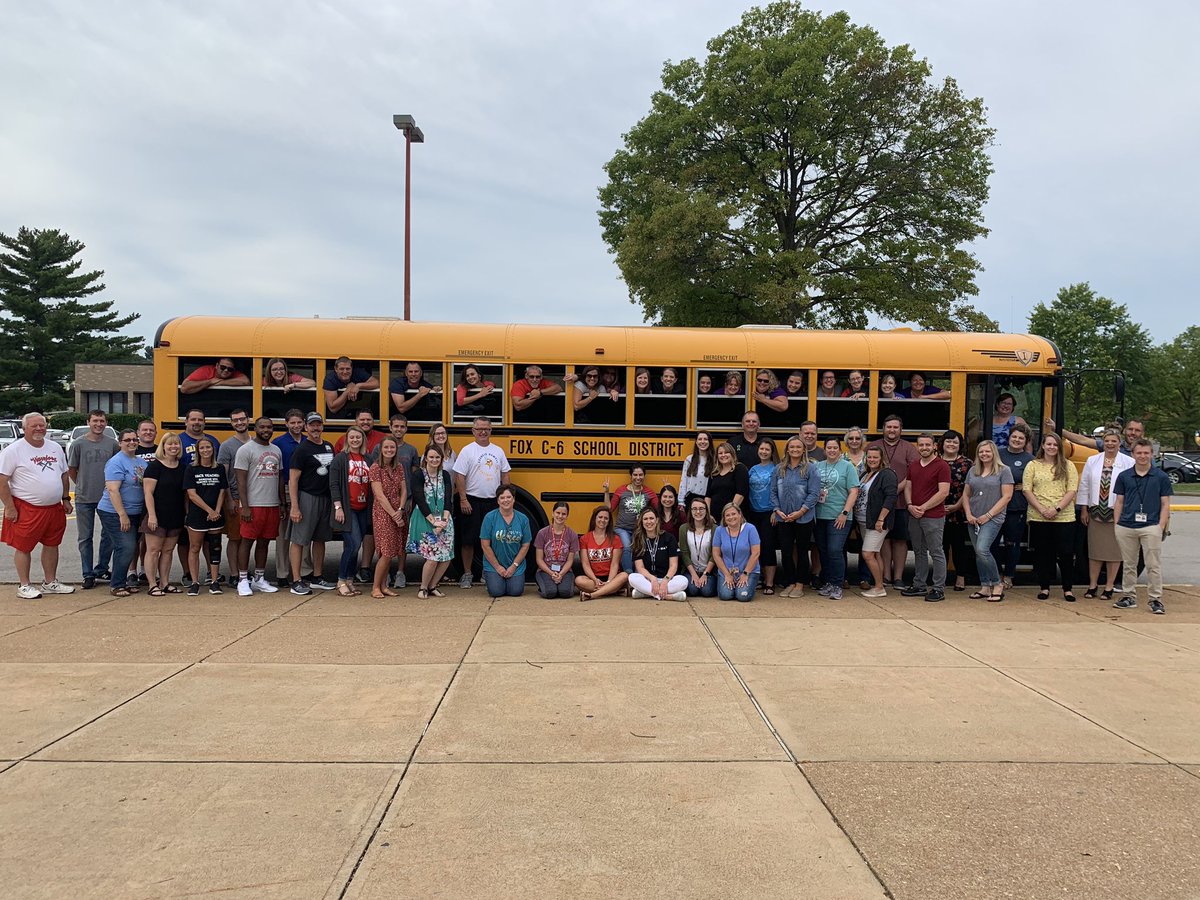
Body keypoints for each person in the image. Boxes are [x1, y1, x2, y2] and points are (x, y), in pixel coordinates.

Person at [0, 413, 74, 599]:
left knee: (52, 544)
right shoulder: (13, 450)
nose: (39, 429)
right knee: (23, 546)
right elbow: (2, 481)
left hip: (53, 508)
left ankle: (50, 582)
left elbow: (64, 474)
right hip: (27, 507)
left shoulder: (54, 447)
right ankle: (24, 585)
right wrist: (9, 507)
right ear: (24, 428)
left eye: (42, 425)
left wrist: (65, 498)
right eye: (34, 426)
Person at [1112, 439, 1172, 614]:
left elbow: (1165, 504)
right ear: (1133, 454)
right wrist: (1117, 524)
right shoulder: (1124, 476)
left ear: (1151, 454)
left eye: (1146, 453)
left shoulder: (1161, 477)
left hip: (1151, 525)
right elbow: (1119, 501)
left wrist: (1160, 526)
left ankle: (1155, 599)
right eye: (1139, 453)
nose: (1143, 456)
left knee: (1153, 565)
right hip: (1126, 525)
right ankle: (1128, 596)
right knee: (1129, 564)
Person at [453, 417, 512, 588]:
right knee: (468, 540)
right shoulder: (467, 451)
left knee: (493, 540)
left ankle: (489, 572)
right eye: (479, 429)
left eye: (486, 428)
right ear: (473, 431)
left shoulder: (498, 451)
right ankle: (467, 573)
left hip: (493, 502)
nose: (483, 432)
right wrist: (463, 499)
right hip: (471, 500)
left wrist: (506, 499)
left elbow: (505, 475)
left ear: (491, 430)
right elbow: (459, 476)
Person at [1077, 428, 1134, 601]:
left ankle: (1109, 586)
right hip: (1095, 512)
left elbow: (1131, 489)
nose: (1110, 444)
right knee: (1095, 551)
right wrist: (1084, 509)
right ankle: (1092, 585)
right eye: (1107, 441)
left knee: (1113, 553)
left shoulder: (1128, 462)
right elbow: (1084, 485)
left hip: (1116, 514)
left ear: (1119, 443)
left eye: (1113, 441)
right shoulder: (1092, 460)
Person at [1024, 432, 1079, 601]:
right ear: (1042, 445)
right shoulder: (1033, 465)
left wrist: (1057, 509)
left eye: (1055, 445)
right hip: (1038, 516)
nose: (1052, 447)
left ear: (1059, 447)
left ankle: (1067, 589)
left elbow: (1072, 490)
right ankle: (1044, 587)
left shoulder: (1068, 465)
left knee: (1066, 553)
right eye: (1049, 444)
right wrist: (1042, 509)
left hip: (1064, 516)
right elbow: (1027, 489)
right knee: (1043, 553)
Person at [233, 417, 283, 597]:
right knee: (247, 541)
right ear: (255, 428)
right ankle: (242, 580)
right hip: (253, 504)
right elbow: (240, 481)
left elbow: (280, 478)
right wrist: (245, 506)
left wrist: (282, 503)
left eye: (269, 427)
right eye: (262, 427)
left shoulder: (276, 450)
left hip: (272, 504)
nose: (266, 430)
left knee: (264, 542)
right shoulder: (245, 450)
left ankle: (259, 578)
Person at [287, 412, 337, 595]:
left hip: (325, 498)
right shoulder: (302, 449)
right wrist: (295, 506)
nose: (316, 428)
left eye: (318, 424)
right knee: (299, 540)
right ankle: (296, 580)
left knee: (320, 539)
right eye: (312, 425)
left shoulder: (328, 446)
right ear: (306, 427)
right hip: (307, 496)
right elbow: (293, 480)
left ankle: (317, 577)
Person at [67, 410, 118, 589]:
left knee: (109, 535)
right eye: (95, 421)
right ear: (88, 422)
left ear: (106, 423)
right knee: (85, 537)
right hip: (84, 498)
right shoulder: (78, 444)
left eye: (102, 421)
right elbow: (72, 469)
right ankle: (87, 574)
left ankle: (102, 568)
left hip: (107, 498)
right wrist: (82, 484)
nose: (98, 424)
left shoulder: (113, 444)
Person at [97, 429, 148, 597]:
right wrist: (122, 515)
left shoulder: (141, 462)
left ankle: (123, 581)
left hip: (136, 512)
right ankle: (117, 584)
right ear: (120, 443)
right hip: (114, 512)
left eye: (134, 439)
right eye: (127, 440)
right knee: (125, 547)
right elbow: (113, 490)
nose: (132, 442)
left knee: (129, 547)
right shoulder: (116, 462)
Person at [900, 433, 950, 601]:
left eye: (928, 445)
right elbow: (908, 486)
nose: (924, 448)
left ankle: (938, 589)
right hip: (914, 515)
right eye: (921, 445)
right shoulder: (914, 465)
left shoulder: (942, 466)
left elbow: (943, 492)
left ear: (934, 446)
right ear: (917, 447)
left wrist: (924, 507)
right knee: (919, 551)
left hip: (933, 516)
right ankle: (919, 585)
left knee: (936, 551)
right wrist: (909, 505)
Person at [869, 415, 917, 586]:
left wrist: (895, 489)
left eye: (895, 427)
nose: (892, 430)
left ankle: (898, 577)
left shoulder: (909, 448)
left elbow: (913, 472)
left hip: (901, 502)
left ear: (901, 429)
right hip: (879, 503)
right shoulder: (873, 445)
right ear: (883, 428)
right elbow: (868, 469)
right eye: (889, 427)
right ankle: (886, 576)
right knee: (883, 539)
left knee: (900, 539)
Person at [771, 436, 821, 599]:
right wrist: (777, 510)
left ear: (804, 449)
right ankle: (790, 582)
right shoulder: (779, 469)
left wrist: (801, 511)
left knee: (802, 551)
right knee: (786, 551)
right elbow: (773, 492)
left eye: (798, 447)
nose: (795, 450)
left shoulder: (810, 469)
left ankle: (800, 584)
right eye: (791, 447)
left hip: (803, 518)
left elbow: (814, 493)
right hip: (783, 517)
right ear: (787, 449)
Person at [964, 440, 1014, 602]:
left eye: (987, 451)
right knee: (978, 553)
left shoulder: (1004, 471)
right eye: (981, 452)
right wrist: (968, 514)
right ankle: (985, 586)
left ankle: (997, 584)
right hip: (974, 518)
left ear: (994, 453)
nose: (984, 454)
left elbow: (1007, 496)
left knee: (982, 549)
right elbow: (966, 494)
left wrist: (989, 515)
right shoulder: (973, 470)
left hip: (993, 517)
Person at [813, 438, 860, 600]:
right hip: (820, 516)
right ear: (824, 450)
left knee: (835, 550)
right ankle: (828, 582)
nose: (832, 450)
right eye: (829, 447)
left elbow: (854, 491)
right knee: (823, 551)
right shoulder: (817, 466)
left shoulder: (847, 467)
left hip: (839, 516)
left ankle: (837, 584)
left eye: (835, 448)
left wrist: (844, 513)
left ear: (840, 450)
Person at [329, 426, 372, 597]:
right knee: (353, 545)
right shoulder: (340, 458)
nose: (355, 440)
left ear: (363, 439)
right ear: (347, 439)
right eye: (352, 437)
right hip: (348, 509)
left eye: (358, 437)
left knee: (356, 545)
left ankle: (349, 580)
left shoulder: (368, 458)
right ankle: (341, 581)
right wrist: (338, 507)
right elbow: (333, 484)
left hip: (363, 508)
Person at [141, 432, 186, 595]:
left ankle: (164, 582)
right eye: (170, 444)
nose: (174, 447)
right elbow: (148, 493)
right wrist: (152, 515)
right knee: (153, 550)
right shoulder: (155, 466)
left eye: (176, 443)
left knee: (168, 550)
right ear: (163, 446)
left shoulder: (182, 467)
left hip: (175, 515)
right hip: (157, 515)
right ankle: (152, 584)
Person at [409, 443, 455, 599]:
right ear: (425, 459)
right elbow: (420, 499)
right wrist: (434, 522)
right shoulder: (418, 475)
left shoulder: (445, 475)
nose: (434, 460)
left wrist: (444, 520)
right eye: (431, 457)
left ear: (441, 459)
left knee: (447, 556)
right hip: (425, 518)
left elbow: (448, 499)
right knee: (432, 557)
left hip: (444, 517)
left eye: (437, 457)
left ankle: (432, 586)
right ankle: (422, 587)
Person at [182, 438, 227, 596]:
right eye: (202, 448)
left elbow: (222, 491)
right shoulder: (191, 468)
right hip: (198, 515)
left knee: (215, 547)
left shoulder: (219, 468)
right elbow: (191, 494)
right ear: (197, 450)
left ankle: (214, 581)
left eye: (208, 447)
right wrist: (209, 511)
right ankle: (195, 582)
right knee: (195, 547)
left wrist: (217, 511)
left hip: (216, 515)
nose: (205, 450)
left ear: (213, 449)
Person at [993, 422, 1035, 589]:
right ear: (1009, 437)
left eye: (1021, 438)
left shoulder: (1030, 460)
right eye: (1014, 436)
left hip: (1017, 507)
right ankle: (996, 574)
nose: (1017, 440)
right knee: (992, 542)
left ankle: (1009, 575)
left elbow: (1035, 482)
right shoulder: (997, 454)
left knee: (1012, 543)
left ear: (1026, 441)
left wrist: (1025, 486)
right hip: (995, 506)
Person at [369, 436, 409, 599]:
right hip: (383, 513)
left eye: (392, 447)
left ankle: (384, 586)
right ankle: (375, 587)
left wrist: (400, 509)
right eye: (386, 447)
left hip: (398, 511)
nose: (389, 450)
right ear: (381, 449)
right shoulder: (375, 468)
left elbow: (404, 490)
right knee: (385, 552)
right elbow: (379, 495)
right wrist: (393, 514)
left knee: (392, 551)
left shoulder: (399, 467)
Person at [217, 408, 252, 585]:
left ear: (248, 420)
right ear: (231, 423)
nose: (239, 423)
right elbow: (223, 475)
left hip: (254, 499)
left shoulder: (255, 442)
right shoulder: (227, 446)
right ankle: (233, 574)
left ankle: (243, 571)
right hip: (235, 498)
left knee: (247, 538)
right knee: (235, 538)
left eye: (242, 419)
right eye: (235, 420)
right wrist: (229, 500)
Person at [272, 409, 306, 588]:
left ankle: (304, 571)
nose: (296, 425)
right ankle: (282, 573)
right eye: (292, 422)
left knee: (304, 533)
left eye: (299, 422)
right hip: (285, 489)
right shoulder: (278, 443)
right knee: (283, 534)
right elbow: (276, 472)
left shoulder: (309, 441)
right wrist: (281, 500)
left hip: (305, 490)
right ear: (286, 424)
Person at [856, 446, 897, 598]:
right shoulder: (865, 474)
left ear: (882, 459)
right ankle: (879, 584)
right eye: (869, 457)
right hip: (863, 521)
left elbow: (891, 497)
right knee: (875, 553)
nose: (872, 460)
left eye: (875, 457)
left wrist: (881, 519)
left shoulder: (887, 474)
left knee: (867, 554)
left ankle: (879, 587)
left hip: (877, 522)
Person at [604, 464, 659, 574]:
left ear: (644, 476)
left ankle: (640, 575)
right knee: (627, 547)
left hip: (640, 529)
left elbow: (659, 510)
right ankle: (628, 575)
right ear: (631, 476)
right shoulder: (621, 490)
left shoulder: (649, 492)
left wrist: (667, 490)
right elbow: (609, 509)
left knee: (641, 549)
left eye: (641, 475)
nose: (638, 478)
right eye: (635, 475)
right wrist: (606, 492)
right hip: (622, 528)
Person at [480, 485, 532, 598]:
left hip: (515, 564)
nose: (505, 500)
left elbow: (525, 545)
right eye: (502, 498)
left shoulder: (523, 519)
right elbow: (485, 545)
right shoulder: (489, 518)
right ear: (498, 500)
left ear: (514, 499)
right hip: (494, 564)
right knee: (496, 592)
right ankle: (490, 576)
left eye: (508, 497)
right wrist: (498, 567)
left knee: (515, 591)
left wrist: (514, 566)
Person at [940, 429, 975, 592]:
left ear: (960, 444)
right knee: (940, 547)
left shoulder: (967, 464)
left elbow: (970, 488)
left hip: (960, 510)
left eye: (955, 442)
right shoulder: (935, 461)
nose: (951, 444)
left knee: (959, 546)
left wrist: (956, 506)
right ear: (942, 443)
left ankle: (960, 577)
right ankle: (941, 578)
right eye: (948, 441)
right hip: (937, 510)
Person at [628, 507, 687, 601]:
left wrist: (665, 580)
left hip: (667, 579)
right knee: (632, 577)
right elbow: (640, 568)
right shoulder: (638, 539)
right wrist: (652, 579)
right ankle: (669, 596)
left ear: (657, 520)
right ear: (641, 522)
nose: (649, 522)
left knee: (683, 581)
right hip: (648, 580)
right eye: (645, 519)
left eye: (651, 518)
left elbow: (673, 565)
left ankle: (646, 593)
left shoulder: (669, 538)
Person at [747, 439, 780, 594]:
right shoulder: (753, 469)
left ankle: (770, 582)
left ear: (772, 452)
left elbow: (779, 490)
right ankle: (759, 578)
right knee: (755, 547)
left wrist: (776, 510)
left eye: (767, 449)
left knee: (768, 546)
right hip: (753, 512)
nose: (764, 452)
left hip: (769, 512)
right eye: (762, 449)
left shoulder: (776, 468)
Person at [576, 506, 628, 601]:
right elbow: (585, 564)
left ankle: (593, 595)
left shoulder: (615, 539)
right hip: (593, 578)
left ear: (609, 521)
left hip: (612, 577)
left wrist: (609, 581)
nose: (602, 520)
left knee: (624, 576)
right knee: (579, 580)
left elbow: (615, 564)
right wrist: (595, 580)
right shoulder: (584, 539)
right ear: (594, 519)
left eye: (606, 518)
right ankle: (614, 591)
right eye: (600, 517)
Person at [712, 503, 761, 602]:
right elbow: (716, 555)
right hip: (727, 571)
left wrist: (745, 574)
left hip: (748, 571)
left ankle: (746, 586)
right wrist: (727, 574)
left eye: (733, 514)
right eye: (727, 515)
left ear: (740, 514)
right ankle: (734, 587)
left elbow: (756, 553)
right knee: (725, 595)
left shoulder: (750, 529)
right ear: (724, 518)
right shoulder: (719, 530)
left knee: (742, 596)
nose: (731, 517)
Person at [533, 501, 579, 599]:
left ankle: (561, 584)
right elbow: (539, 559)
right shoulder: (542, 533)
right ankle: (545, 585)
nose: (560, 516)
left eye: (563, 514)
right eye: (558, 513)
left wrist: (561, 574)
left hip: (565, 571)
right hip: (545, 570)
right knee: (550, 593)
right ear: (553, 513)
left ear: (567, 516)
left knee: (565, 593)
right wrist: (551, 573)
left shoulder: (572, 535)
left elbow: (570, 560)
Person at [1049, 416, 1146, 458]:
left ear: (1142, 433)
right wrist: (1058, 429)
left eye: (1137, 430)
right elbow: (1083, 440)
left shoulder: (1145, 454)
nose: (1133, 433)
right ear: (1124, 430)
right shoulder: (1111, 445)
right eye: (1130, 429)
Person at [679, 498, 718, 597]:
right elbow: (684, 553)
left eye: (701, 509)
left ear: (706, 511)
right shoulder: (683, 529)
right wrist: (694, 574)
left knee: (707, 591)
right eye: (694, 509)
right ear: (690, 511)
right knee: (692, 590)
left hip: (708, 571)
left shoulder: (714, 529)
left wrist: (705, 574)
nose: (698, 512)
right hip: (691, 570)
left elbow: (714, 554)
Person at [705, 442, 749, 516]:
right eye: (720, 453)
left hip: (732, 516)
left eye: (726, 452)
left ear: (732, 454)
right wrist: (708, 515)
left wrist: (729, 513)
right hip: (714, 516)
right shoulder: (714, 472)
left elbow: (740, 494)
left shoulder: (739, 469)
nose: (723, 455)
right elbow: (708, 496)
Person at [679, 431, 716, 509]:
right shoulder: (689, 459)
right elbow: (684, 480)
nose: (702, 442)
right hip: (691, 498)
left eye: (705, 439)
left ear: (710, 442)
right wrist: (681, 501)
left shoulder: (715, 460)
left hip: (708, 499)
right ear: (696, 442)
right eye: (700, 439)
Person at [180, 357, 250, 394]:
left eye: (230, 369)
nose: (226, 370)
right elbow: (184, 388)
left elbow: (246, 381)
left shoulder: (233, 372)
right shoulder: (206, 370)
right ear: (216, 366)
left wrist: (219, 382)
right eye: (223, 367)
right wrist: (210, 382)